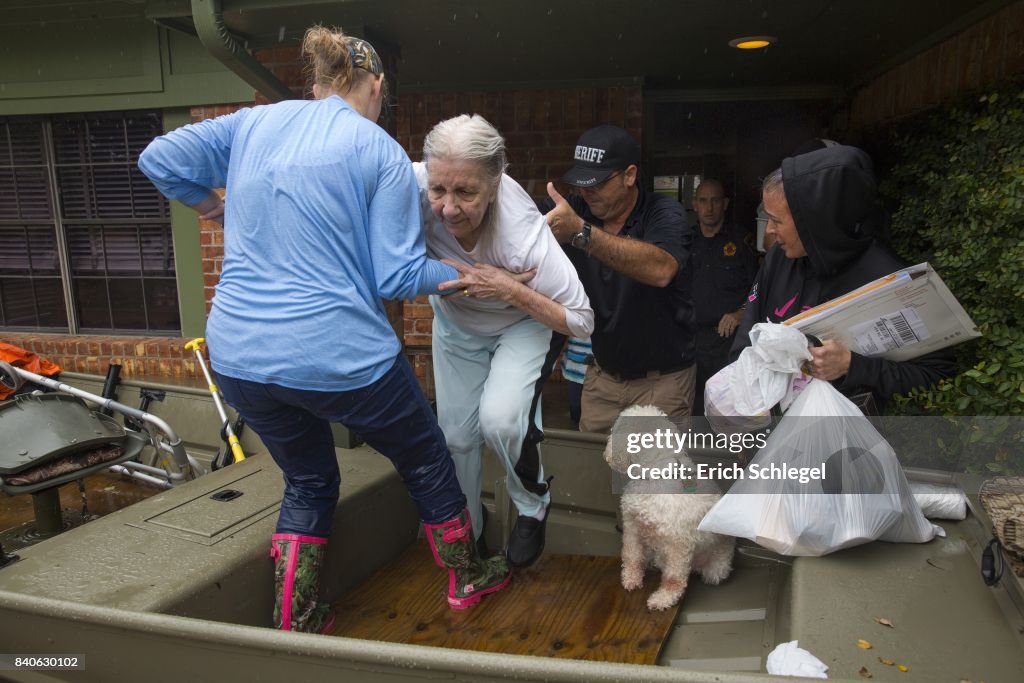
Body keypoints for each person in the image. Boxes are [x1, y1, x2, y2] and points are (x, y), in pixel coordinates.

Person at [138, 27, 510, 630]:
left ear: (317, 85)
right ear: (377, 85)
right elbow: (395, 275)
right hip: (341, 357)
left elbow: (157, 159)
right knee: (424, 459)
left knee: (309, 481)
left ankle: (298, 615)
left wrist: (213, 207)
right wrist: (469, 273)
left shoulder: (250, 125)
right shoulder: (379, 151)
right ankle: (467, 577)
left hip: (240, 359)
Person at [416, 114, 593, 569]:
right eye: (439, 190)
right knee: (456, 438)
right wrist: (455, 276)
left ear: (495, 184)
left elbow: (581, 321)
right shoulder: (409, 187)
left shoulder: (524, 235)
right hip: (457, 322)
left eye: (466, 192)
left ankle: (532, 503)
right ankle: (469, 536)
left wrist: (512, 289)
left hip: (521, 321)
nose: (449, 208)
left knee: (500, 422)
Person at [730, 144, 955, 408]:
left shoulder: (888, 279)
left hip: (845, 440)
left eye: (777, 220)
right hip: (770, 432)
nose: (768, 231)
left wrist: (853, 365)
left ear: (814, 221)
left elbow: (936, 377)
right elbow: (747, 336)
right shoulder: (779, 259)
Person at [542, 125, 696, 433]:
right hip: (602, 380)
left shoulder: (664, 213)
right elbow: (516, 217)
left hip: (661, 385)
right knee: (593, 475)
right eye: (581, 183)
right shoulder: (577, 209)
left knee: (653, 479)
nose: (587, 191)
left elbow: (661, 269)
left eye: (597, 182)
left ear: (629, 176)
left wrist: (582, 234)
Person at [690, 179, 758, 415]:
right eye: (703, 201)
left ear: (725, 204)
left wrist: (741, 313)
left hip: (727, 342)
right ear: (695, 205)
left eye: (715, 200)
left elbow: (759, 288)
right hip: (692, 342)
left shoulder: (741, 240)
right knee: (694, 411)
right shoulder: (685, 241)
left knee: (727, 409)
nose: (709, 208)